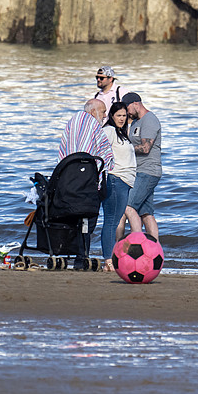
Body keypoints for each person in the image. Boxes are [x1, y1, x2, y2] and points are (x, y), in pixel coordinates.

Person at [58, 99, 114, 269]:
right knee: (88, 219)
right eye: (103, 112)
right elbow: (104, 154)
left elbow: (63, 151)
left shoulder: (71, 123)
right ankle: (82, 256)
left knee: (74, 219)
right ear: (92, 112)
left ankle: (74, 253)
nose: (105, 116)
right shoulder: (94, 127)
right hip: (87, 184)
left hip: (69, 183)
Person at [100, 102, 136, 271]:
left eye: (124, 115)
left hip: (125, 181)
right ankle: (108, 260)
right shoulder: (109, 131)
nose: (122, 119)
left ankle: (110, 258)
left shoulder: (121, 133)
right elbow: (100, 153)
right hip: (115, 179)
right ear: (112, 116)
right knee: (111, 221)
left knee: (115, 220)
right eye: (118, 115)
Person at [121, 93, 162, 240]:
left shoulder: (149, 120)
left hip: (148, 171)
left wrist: (124, 148)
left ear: (135, 104)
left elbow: (145, 148)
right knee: (146, 213)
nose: (127, 113)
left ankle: (137, 243)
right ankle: (155, 248)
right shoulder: (136, 122)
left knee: (128, 207)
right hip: (138, 171)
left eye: (127, 109)